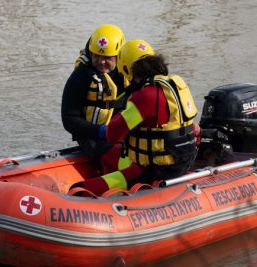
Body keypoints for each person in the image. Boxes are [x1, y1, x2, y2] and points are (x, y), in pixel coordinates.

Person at [78, 39, 199, 195]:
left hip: (153, 171)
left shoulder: (144, 96)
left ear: (129, 70)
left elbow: (112, 135)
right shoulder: (176, 85)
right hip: (182, 163)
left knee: (83, 188)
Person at [61, 24, 127, 167]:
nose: (101, 61)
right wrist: (101, 132)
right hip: (91, 134)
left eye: (107, 57)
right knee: (119, 160)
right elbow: (69, 119)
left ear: (119, 55)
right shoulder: (81, 76)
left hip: (121, 129)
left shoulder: (127, 71)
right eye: (96, 56)